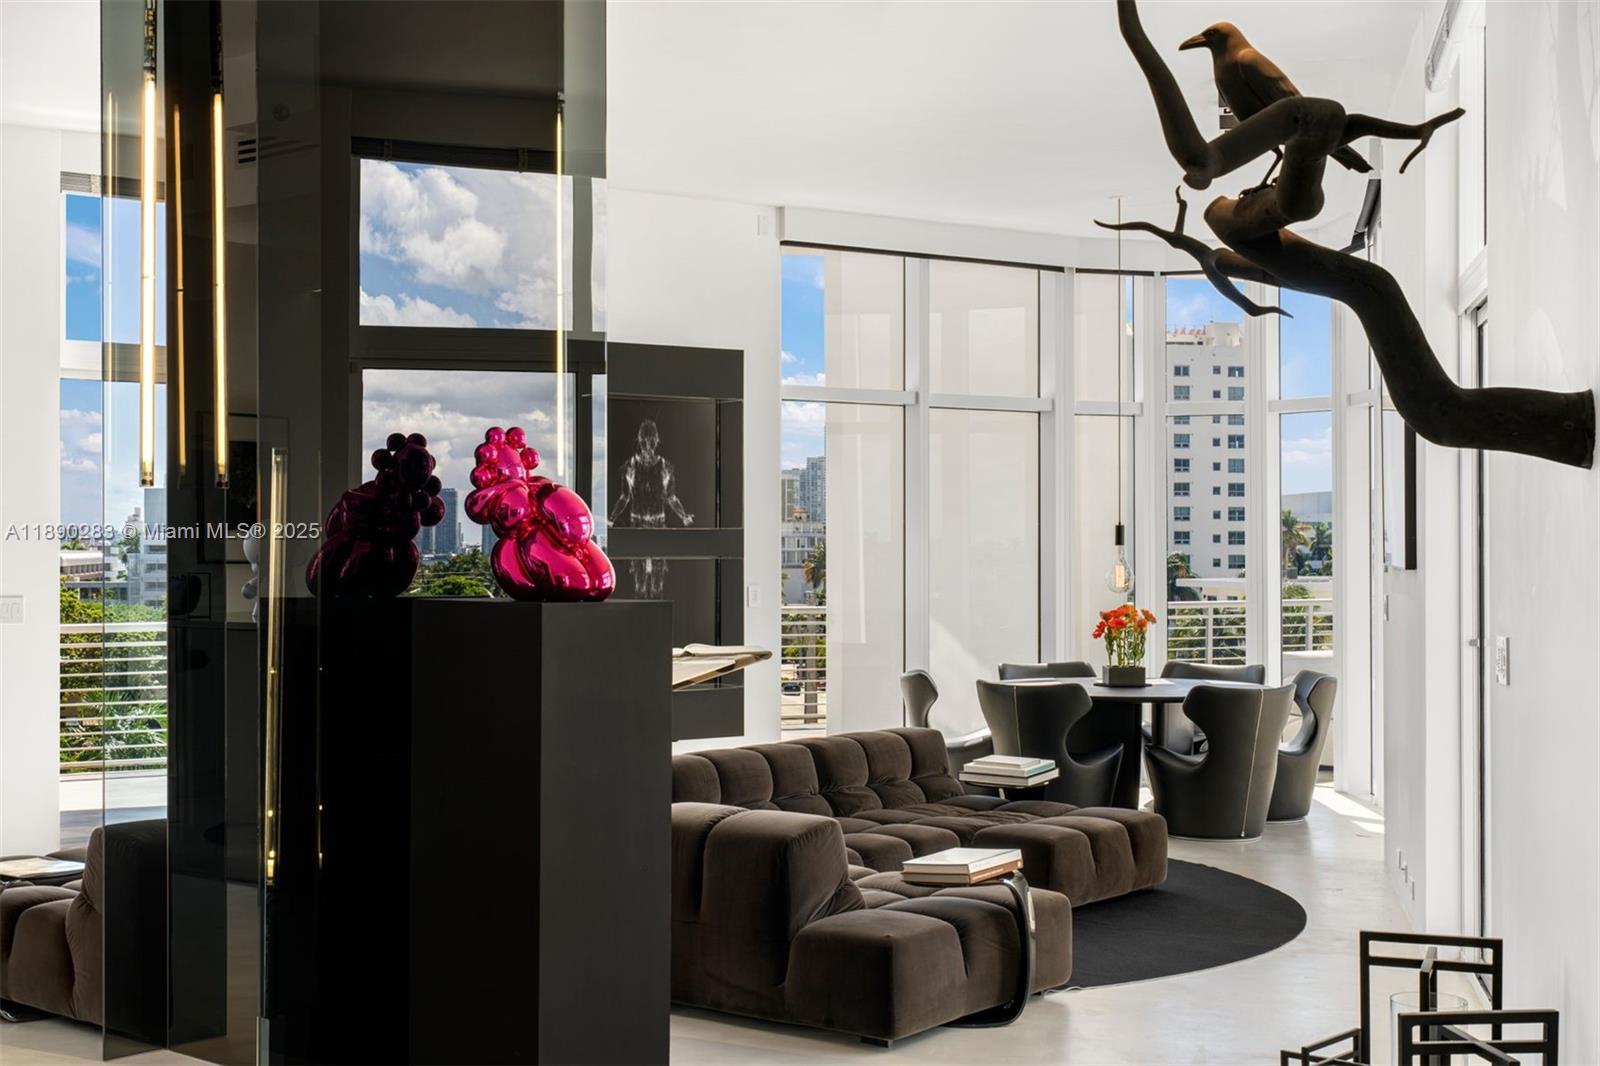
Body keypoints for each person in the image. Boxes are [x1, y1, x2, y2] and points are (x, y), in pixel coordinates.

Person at [608, 418, 694, 597]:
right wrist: (611, 519)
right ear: (639, 441)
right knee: (639, 580)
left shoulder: (664, 466)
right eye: (644, 441)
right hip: (638, 526)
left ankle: (655, 611)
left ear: (656, 441)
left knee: (657, 581)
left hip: (657, 527)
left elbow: (670, 497)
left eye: (651, 441)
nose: (648, 445)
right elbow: (624, 497)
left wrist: (683, 516)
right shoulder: (631, 466)